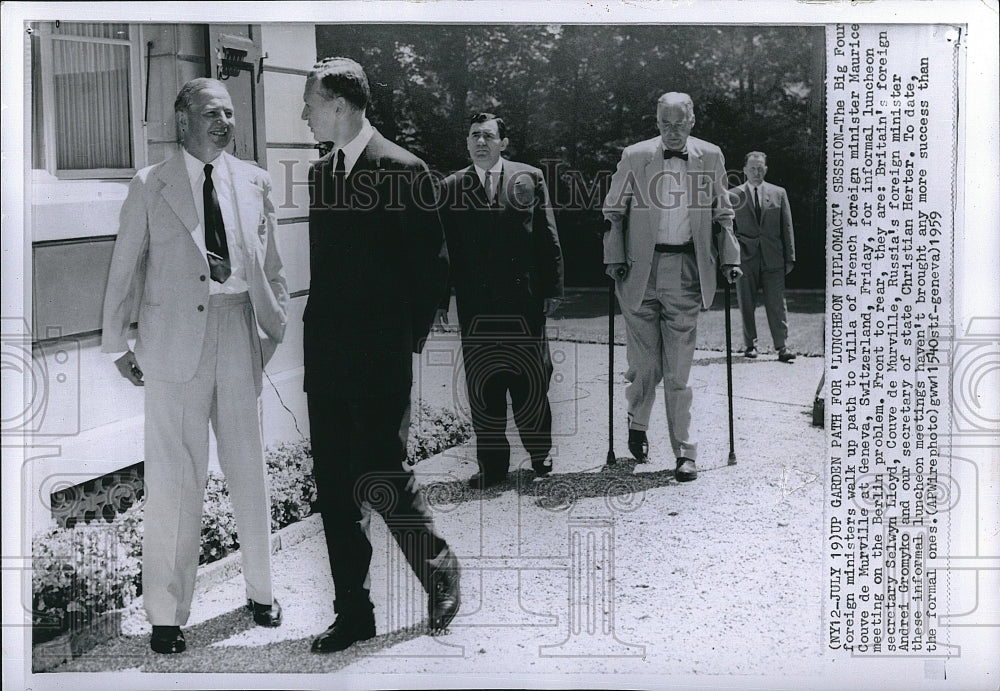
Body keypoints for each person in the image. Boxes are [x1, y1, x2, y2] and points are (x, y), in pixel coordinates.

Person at [101, 78, 289, 654]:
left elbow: (273, 269)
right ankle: (166, 615)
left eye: (230, 114)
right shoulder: (150, 184)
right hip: (170, 345)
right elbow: (126, 266)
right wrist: (117, 343)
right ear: (182, 121)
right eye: (212, 113)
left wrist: (269, 334)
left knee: (247, 470)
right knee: (173, 480)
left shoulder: (254, 181)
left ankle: (261, 592)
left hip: (237, 331)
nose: (224, 123)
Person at [300, 57, 460, 653]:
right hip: (327, 360)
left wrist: (401, 343)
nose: (303, 112)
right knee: (335, 489)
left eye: (310, 102)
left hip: (379, 359)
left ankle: (438, 569)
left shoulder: (403, 169)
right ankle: (353, 612)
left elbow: (432, 273)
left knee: (383, 475)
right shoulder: (320, 175)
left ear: (339, 106)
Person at [603, 92, 741, 482]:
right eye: (666, 123)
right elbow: (614, 211)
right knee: (645, 365)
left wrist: (730, 259)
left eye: (680, 123)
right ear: (657, 121)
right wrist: (613, 258)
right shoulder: (635, 156)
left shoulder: (710, 156)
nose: (673, 131)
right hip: (639, 272)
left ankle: (685, 450)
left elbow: (723, 213)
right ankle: (637, 420)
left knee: (678, 369)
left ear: (692, 120)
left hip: (686, 270)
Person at [435, 113, 565, 489]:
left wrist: (553, 290)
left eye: (488, 136)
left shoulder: (529, 178)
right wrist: (442, 300)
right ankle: (492, 466)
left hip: (523, 301)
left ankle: (540, 453)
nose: (481, 142)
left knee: (532, 380)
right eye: (474, 135)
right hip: (477, 305)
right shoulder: (451, 186)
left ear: (503, 142)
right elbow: (443, 250)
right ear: (467, 142)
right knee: (484, 385)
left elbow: (547, 235)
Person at [730, 151, 796, 361]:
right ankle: (750, 346)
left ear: (766, 170)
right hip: (744, 260)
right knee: (746, 303)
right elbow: (727, 229)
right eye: (752, 168)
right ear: (744, 170)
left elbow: (787, 226)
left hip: (773, 258)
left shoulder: (779, 193)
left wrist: (790, 257)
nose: (756, 172)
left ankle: (782, 347)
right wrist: (730, 260)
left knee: (777, 303)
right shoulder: (733, 195)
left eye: (760, 168)